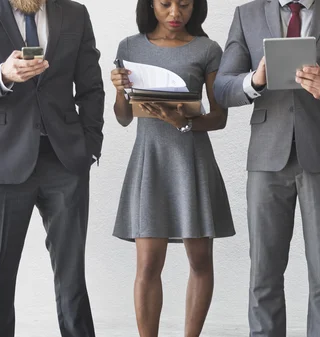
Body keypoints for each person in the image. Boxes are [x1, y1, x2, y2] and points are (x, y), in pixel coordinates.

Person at [213, 0, 320, 336]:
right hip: (265, 157)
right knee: (263, 272)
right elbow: (222, 87)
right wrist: (255, 81)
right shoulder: (247, 14)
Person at [110, 0, 235, 336]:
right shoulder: (129, 46)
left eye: (184, 4)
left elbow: (219, 118)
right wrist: (120, 91)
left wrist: (184, 122)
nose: (175, 13)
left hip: (191, 159)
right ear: (150, 5)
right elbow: (123, 117)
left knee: (200, 260)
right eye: (165, 4)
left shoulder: (208, 49)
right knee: (148, 264)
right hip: (149, 160)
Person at [0, 0, 104, 335]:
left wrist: (90, 145)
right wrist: (1, 75)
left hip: (65, 161)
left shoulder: (75, 13)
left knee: (72, 281)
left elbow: (91, 85)